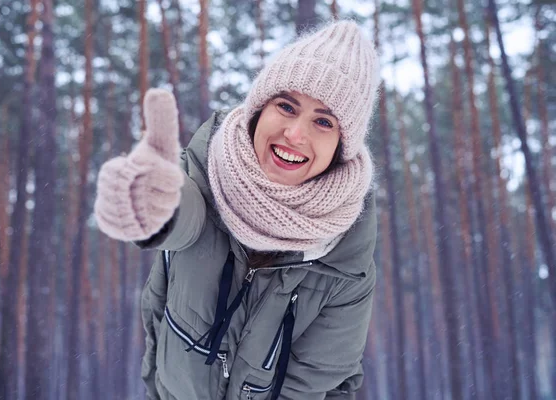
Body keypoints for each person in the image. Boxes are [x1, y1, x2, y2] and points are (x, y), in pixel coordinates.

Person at [94, 19, 380, 400]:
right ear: (260, 109)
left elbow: (316, 383)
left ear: (340, 148)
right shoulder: (204, 174)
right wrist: (145, 205)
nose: (295, 134)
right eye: (286, 106)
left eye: (323, 121)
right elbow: (181, 215)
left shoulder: (347, 262)